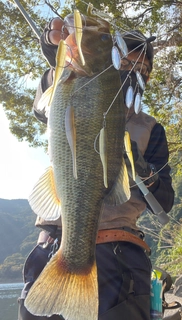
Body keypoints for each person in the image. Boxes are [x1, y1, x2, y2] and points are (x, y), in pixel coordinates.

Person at [18, 15, 174, 320]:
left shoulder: (150, 129)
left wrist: (142, 170)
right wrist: (55, 53)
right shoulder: (72, 84)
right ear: (112, 63)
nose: (134, 73)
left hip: (119, 255)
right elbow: (45, 102)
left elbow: (164, 200)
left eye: (143, 69)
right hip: (54, 244)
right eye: (126, 64)